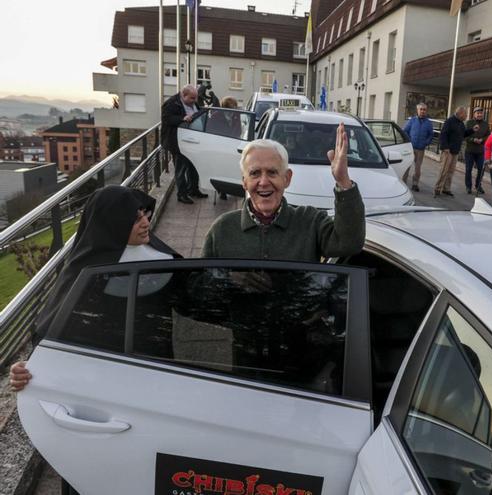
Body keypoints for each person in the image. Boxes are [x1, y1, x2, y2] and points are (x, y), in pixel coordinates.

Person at [9, 186, 181, 495]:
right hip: (95, 400)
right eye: (134, 217)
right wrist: (27, 370)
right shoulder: (84, 273)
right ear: (112, 223)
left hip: (150, 389)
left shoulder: (160, 255)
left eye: (144, 213)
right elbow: (50, 334)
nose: (145, 222)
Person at [202, 124, 365, 261]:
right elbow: (200, 283)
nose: (264, 182)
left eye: (272, 172)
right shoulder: (222, 229)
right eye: (255, 173)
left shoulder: (309, 222)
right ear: (244, 182)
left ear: (287, 178)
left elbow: (349, 243)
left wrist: (343, 181)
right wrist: (229, 278)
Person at [162, 85, 207, 204]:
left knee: (193, 166)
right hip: (178, 142)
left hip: (193, 141)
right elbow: (167, 119)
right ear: (183, 95)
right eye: (192, 98)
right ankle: (182, 194)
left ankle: (193, 189)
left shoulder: (193, 103)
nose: (195, 101)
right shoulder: (171, 103)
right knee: (181, 169)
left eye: (196, 98)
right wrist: (182, 118)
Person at [434, 106, 479, 198]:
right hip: (448, 151)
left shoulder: (461, 123)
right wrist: (445, 147)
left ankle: (446, 189)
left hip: (455, 150)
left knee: (451, 171)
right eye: (465, 114)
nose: (466, 116)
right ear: (460, 113)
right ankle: (438, 188)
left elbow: (463, 134)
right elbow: (443, 134)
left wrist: (472, 130)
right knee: (444, 170)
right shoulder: (449, 121)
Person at [402, 103, 434, 192]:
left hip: (420, 149)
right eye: (421, 109)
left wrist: (426, 143)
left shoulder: (428, 122)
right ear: (417, 110)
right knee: (407, 165)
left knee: (418, 168)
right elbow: (405, 131)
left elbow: (431, 135)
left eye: (424, 109)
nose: (423, 111)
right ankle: (403, 183)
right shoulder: (412, 120)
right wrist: (409, 141)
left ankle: (415, 184)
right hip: (410, 148)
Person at [463, 107, 490, 195]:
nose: (479, 114)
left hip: (481, 151)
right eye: (477, 113)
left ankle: (478, 185)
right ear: (474, 114)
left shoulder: (485, 124)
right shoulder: (469, 123)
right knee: (468, 169)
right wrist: (473, 139)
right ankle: (468, 186)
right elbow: (465, 135)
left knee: (481, 169)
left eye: (481, 113)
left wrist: (482, 139)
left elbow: (488, 136)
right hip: (470, 150)